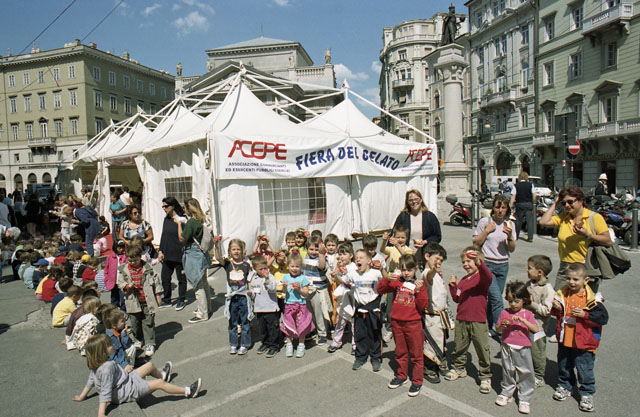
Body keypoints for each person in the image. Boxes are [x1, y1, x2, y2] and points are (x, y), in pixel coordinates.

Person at [72, 334, 201, 417]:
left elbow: (90, 381)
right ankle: (188, 391)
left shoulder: (98, 364)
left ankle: (163, 376)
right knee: (159, 384)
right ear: (103, 350)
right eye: (110, 345)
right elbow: (105, 391)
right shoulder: (107, 367)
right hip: (126, 391)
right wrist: (101, 413)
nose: (113, 345)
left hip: (125, 381)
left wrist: (82, 396)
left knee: (149, 366)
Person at [551, 264, 608, 413]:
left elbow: (602, 318)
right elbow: (558, 314)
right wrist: (556, 308)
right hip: (566, 338)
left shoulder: (593, 299)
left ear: (586, 280)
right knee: (564, 364)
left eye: (576, 279)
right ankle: (565, 386)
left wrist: (585, 315)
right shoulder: (562, 294)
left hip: (584, 341)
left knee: (584, 368)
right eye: (568, 278)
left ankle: (587, 393)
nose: (571, 282)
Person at [539, 186, 612, 293]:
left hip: (586, 267)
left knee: (584, 301)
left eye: (570, 202)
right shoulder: (564, 217)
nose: (567, 205)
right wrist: (556, 203)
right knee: (559, 300)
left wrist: (588, 235)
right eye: (564, 203)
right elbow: (543, 221)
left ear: (581, 200)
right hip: (565, 266)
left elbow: (607, 241)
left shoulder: (594, 217)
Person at [445, 247, 493, 395]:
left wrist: (479, 263)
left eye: (469, 261)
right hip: (462, 319)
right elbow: (457, 298)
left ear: (478, 261)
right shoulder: (464, 280)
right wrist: (453, 286)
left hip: (478, 320)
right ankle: (459, 368)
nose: (466, 264)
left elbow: (488, 276)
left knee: (482, 348)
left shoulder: (482, 278)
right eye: (463, 262)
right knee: (459, 346)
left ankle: (485, 375)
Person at [378, 253, 427, 397]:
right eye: (403, 269)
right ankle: (401, 375)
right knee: (400, 352)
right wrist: (387, 279)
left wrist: (419, 292)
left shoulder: (419, 285)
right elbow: (380, 290)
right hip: (397, 322)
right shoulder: (397, 283)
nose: (406, 273)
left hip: (413, 324)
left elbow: (422, 306)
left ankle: (417, 381)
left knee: (416, 354)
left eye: (409, 270)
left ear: (416, 269)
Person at [472, 194, 516, 335]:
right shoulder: (485, 222)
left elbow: (512, 249)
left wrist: (510, 237)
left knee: (493, 298)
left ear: (507, 209)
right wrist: (486, 231)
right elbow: (476, 242)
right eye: (497, 207)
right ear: (493, 208)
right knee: (497, 299)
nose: (500, 210)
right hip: (488, 264)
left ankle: (489, 325)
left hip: (503, 265)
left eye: (503, 207)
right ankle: (501, 330)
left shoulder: (510, 225)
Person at [494, 281, 539, 414]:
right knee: (508, 369)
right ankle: (506, 392)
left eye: (516, 301)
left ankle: (525, 398)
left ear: (524, 300)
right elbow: (497, 328)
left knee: (525, 372)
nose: (513, 304)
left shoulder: (527, 314)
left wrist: (523, 321)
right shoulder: (505, 312)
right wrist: (502, 325)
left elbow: (535, 329)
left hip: (522, 347)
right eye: (510, 301)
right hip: (507, 345)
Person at [117, 244, 163, 358]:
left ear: (140, 257)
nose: (133, 263)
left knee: (148, 321)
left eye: (135, 260)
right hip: (132, 300)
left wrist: (158, 295)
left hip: (147, 300)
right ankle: (138, 339)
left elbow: (156, 281)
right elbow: (119, 282)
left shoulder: (147, 267)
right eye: (130, 260)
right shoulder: (123, 269)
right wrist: (127, 286)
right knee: (135, 322)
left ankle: (150, 343)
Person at [343, 249, 383, 371]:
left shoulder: (376, 273)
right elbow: (343, 281)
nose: (358, 260)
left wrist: (382, 269)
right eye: (356, 258)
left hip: (373, 306)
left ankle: (376, 358)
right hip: (360, 307)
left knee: (374, 333)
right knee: (360, 334)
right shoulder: (353, 274)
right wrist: (336, 276)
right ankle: (360, 357)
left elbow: (386, 281)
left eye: (361, 258)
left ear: (369, 261)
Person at [215, 238, 252, 354]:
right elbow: (218, 258)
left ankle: (245, 344)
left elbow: (250, 280)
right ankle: (233, 344)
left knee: (245, 322)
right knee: (232, 322)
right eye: (233, 249)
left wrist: (251, 292)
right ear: (230, 251)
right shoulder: (228, 264)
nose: (236, 251)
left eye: (238, 249)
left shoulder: (246, 265)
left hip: (243, 297)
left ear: (242, 251)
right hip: (232, 298)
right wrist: (216, 245)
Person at [525, 255, 555, 387]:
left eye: (529, 268)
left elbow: (547, 311)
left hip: (539, 327)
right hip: (526, 323)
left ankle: (538, 376)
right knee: (526, 350)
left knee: (537, 352)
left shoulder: (548, 289)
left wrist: (532, 304)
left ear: (540, 272)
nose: (527, 270)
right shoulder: (530, 284)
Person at [421, 242, 449, 384]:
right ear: (427, 256)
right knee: (431, 343)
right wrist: (433, 269)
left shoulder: (437, 274)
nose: (439, 262)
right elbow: (429, 276)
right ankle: (429, 368)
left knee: (441, 340)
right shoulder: (426, 273)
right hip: (431, 315)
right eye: (436, 258)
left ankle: (439, 363)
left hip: (441, 315)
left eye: (441, 260)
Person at [392, 189, 442, 268]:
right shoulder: (403, 216)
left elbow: (437, 236)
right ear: (407, 202)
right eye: (411, 200)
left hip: (424, 256)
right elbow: (393, 234)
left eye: (416, 199)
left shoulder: (430, 217)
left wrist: (425, 241)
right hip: (406, 256)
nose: (414, 202)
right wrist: (387, 252)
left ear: (421, 200)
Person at [280, 253, 315, 358]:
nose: (294, 269)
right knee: (288, 325)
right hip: (289, 305)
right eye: (292, 266)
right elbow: (284, 292)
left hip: (301, 305)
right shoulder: (286, 277)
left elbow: (306, 293)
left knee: (301, 325)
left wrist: (299, 289)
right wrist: (284, 287)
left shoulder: (303, 278)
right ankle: (289, 344)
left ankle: (301, 344)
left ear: (301, 267)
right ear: (288, 266)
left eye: (297, 266)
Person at [158, 197, 187, 311]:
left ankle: (181, 299)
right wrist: (160, 250)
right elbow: (163, 236)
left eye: (166, 206)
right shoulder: (166, 219)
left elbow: (185, 236)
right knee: (165, 278)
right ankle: (167, 300)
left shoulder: (182, 219)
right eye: (163, 206)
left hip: (179, 254)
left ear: (173, 206)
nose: (164, 208)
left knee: (181, 278)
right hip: (167, 254)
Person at [327, 243, 356, 353]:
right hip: (343, 297)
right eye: (340, 254)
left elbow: (352, 280)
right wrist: (336, 273)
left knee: (354, 323)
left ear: (351, 256)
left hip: (352, 297)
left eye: (344, 254)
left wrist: (346, 273)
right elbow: (338, 281)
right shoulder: (340, 267)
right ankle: (336, 342)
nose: (341, 257)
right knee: (340, 322)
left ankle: (355, 344)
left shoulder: (354, 267)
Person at [303, 235, 331, 345]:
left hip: (318, 289)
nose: (314, 252)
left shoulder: (322, 258)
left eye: (316, 249)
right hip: (307, 289)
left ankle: (322, 333)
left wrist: (321, 254)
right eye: (311, 249)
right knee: (310, 312)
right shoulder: (305, 259)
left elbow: (322, 266)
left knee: (320, 313)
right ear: (307, 249)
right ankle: (313, 329)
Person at [250, 255, 280, 358]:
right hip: (259, 308)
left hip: (270, 307)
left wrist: (267, 279)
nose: (263, 271)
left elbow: (272, 289)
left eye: (265, 268)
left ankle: (274, 345)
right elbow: (254, 293)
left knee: (272, 328)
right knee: (262, 328)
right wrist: (251, 294)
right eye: (260, 269)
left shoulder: (270, 277)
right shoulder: (254, 278)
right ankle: (265, 343)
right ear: (255, 269)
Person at [510, 171, 536, 242]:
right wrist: (533, 203)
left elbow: (513, 196)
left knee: (518, 220)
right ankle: (530, 237)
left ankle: (516, 236)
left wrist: (510, 206)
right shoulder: (530, 185)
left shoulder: (516, 185)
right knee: (529, 221)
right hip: (528, 204)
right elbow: (534, 195)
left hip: (520, 204)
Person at [105, 240, 127, 311]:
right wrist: (106, 279)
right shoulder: (110, 257)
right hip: (113, 282)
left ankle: (123, 311)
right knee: (114, 298)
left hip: (122, 281)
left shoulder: (125, 257)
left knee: (123, 298)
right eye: (119, 248)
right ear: (115, 247)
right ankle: (114, 311)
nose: (121, 249)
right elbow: (106, 269)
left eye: (122, 247)